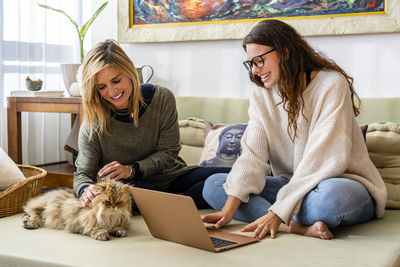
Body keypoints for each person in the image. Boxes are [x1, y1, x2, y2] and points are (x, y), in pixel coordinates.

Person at [201, 19, 387, 240]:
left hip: (340, 184)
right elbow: (252, 155)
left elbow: (325, 158)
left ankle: (280, 218)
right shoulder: (262, 94)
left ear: (285, 53)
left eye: (260, 60)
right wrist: (228, 209)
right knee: (214, 186)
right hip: (290, 185)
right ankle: (297, 228)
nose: (255, 70)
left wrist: (278, 212)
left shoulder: (331, 84)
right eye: (250, 63)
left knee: (331, 199)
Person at [73, 39, 230, 210]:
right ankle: (181, 204)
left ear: (130, 70)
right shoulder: (94, 119)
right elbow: (83, 173)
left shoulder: (162, 98)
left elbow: (169, 152)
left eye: (116, 81)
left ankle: (173, 205)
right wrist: (84, 190)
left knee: (230, 176)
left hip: (171, 175)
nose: (111, 92)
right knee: (137, 192)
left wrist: (131, 169)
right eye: (101, 87)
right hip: (131, 186)